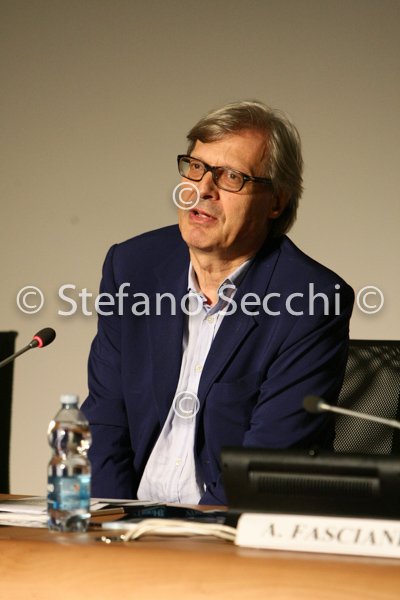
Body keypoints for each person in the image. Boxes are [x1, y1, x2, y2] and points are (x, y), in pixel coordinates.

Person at [81, 100, 354, 505]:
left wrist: (195, 536)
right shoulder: (132, 267)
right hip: (128, 523)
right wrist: (113, 522)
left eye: (231, 177)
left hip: (228, 527)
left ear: (276, 201)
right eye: (196, 167)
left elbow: (265, 463)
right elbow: (105, 422)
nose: (203, 189)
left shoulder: (311, 301)